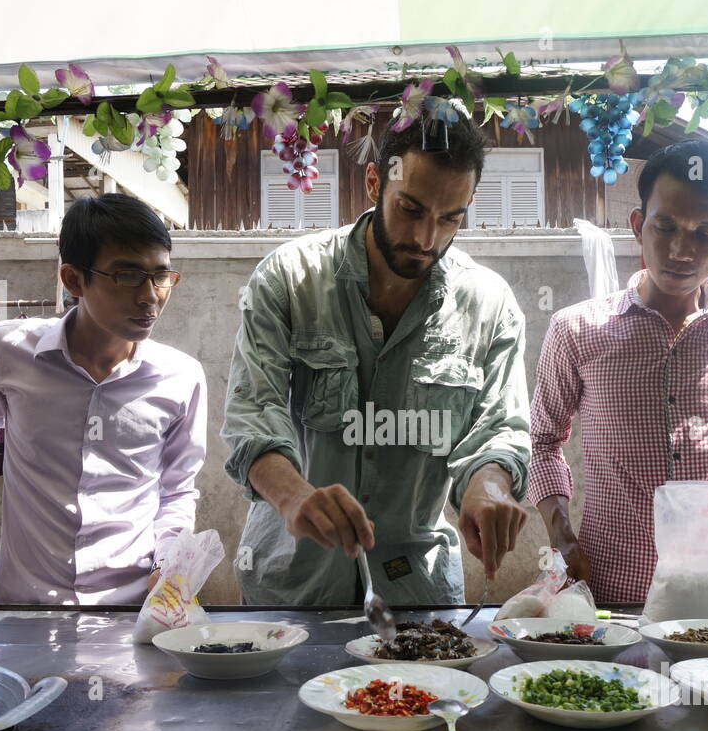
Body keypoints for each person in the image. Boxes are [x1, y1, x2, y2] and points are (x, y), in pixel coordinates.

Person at [222, 115, 530, 605]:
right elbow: (252, 413)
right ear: (374, 183)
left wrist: (488, 482)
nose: (427, 238)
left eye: (450, 218)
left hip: (416, 592)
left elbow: (499, 426)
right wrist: (294, 495)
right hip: (293, 590)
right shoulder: (288, 279)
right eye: (410, 209)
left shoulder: (489, 304)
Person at [528, 140, 708, 605]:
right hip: (619, 590)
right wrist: (564, 540)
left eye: (705, 233)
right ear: (638, 226)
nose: (681, 250)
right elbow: (543, 444)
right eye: (665, 227)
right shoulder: (577, 329)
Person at [0, 193, 207, 605]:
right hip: (22, 609)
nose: (150, 296)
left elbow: (176, 489)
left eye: (162, 275)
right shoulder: (8, 350)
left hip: (133, 614)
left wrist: (167, 565)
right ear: (73, 280)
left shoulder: (180, 377)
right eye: (128, 275)